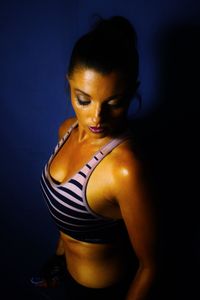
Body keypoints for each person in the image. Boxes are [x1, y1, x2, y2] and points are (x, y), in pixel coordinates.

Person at [31, 15, 157, 300]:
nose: (96, 117)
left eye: (115, 103)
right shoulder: (66, 130)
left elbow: (151, 266)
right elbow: (69, 220)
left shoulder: (125, 169)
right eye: (84, 100)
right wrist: (58, 261)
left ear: (131, 93)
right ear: (70, 85)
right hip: (68, 277)